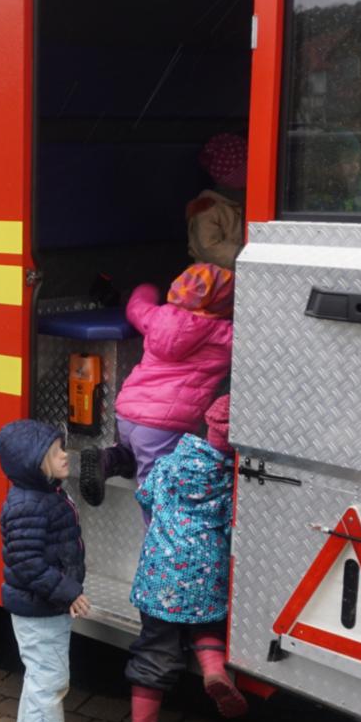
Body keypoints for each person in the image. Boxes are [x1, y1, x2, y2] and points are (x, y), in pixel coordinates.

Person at [126, 395, 246, 722]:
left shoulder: (170, 463)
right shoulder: (229, 480)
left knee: (155, 646)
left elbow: (145, 496)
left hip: (159, 573)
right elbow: (231, 528)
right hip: (204, 574)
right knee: (206, 624)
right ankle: (213, 668)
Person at [80, 262, 235, 510]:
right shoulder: (223, 335)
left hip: (128, 414)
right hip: (163, 425)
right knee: (159, 495)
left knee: (135, 453)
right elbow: (260, 339)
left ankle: (109, 458)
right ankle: (158, 547)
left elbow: (135, 307)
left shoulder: (157, 317)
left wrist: (147, 286)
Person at [0, 420, 89, 722]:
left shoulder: (43, 493)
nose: (65, 454)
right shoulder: (29, 505)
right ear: (32, 463)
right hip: (40, 606)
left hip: (42, 604)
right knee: (50, 680)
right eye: (55, 452)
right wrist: (70, 592)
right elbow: (28, 564)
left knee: (39, 674)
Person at [186, 131, 247, 268]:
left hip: (235, 274)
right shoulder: (207, 208)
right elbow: (209, 248)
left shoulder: (243, 203)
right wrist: (242, 255)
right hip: (210, 280)